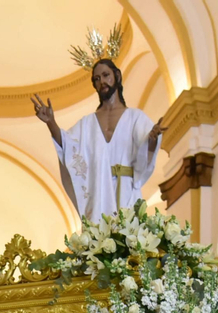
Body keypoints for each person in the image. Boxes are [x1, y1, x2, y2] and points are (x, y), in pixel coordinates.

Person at [32, 57, 166, 222]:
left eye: (105, 75)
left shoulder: (135, 117)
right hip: (98, 192)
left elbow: (145, 148)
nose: (102, 81)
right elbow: (67, 146)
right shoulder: (87, 123)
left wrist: (152, 139)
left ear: (116, 76)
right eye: (97, 79)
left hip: (126, 192)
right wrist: (51, 122)